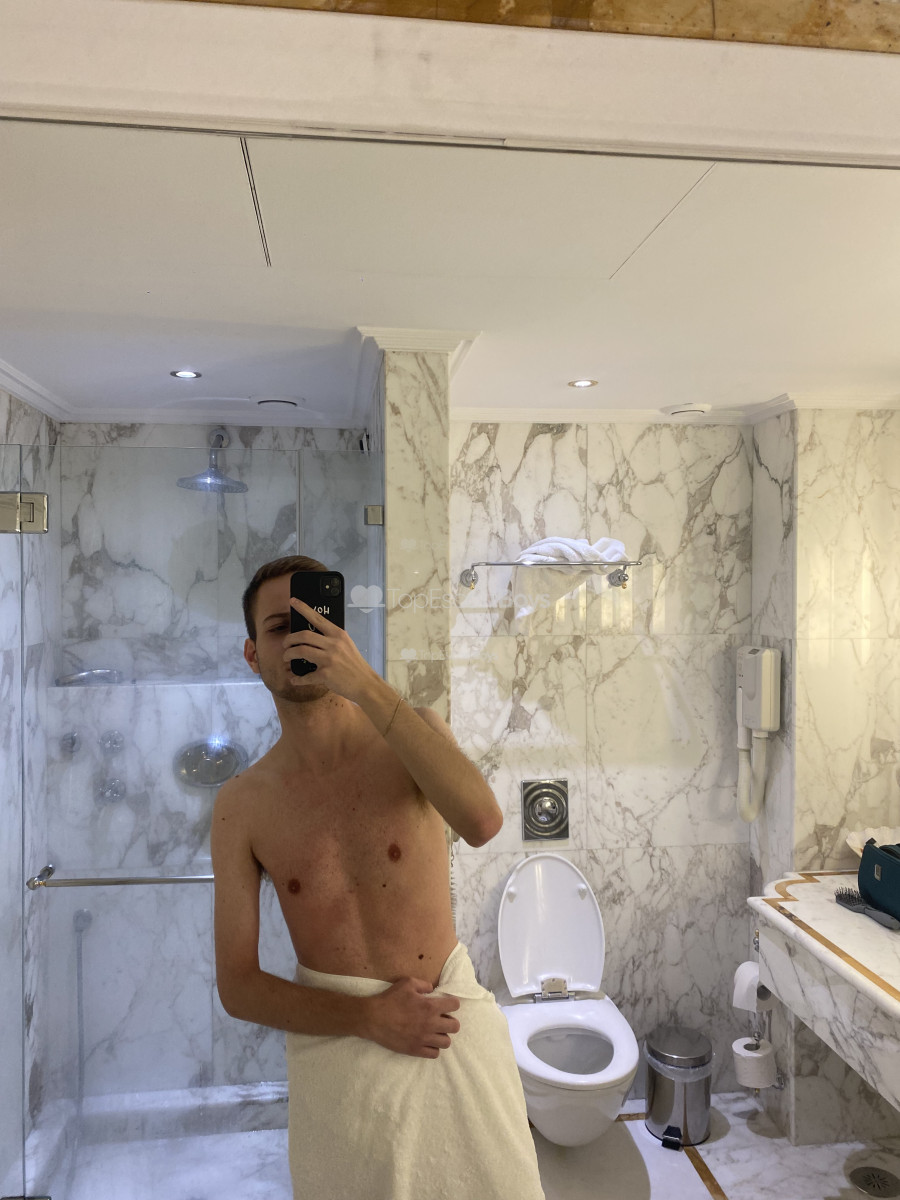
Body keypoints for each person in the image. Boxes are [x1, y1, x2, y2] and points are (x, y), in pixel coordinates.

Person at [211, 555, 545, 1200]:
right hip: (339, 1055)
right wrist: (369, 1017)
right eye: (280, 627)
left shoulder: (414, 733)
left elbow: (482, 822)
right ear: (253, 655)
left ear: (341, 631)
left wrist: (365, 682)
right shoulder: (242, 805)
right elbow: (239, 987)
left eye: (314, 622)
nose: (300, 640)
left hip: (449, 1029)